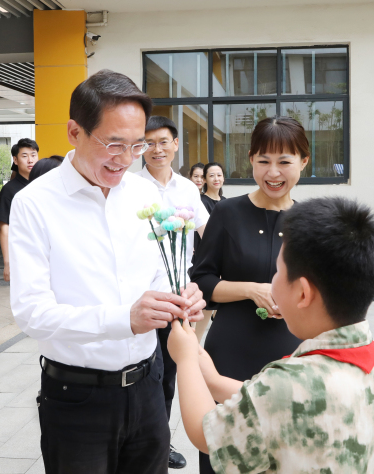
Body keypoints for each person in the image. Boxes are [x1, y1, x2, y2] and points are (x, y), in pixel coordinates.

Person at [8, 69, 206, 474]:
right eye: (114, 144)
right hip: (77, 396)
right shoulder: (35, 203)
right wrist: (124, 319)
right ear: (74, 132)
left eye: (136, 145)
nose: (127, 159)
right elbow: (31, 312)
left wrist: (179, 293)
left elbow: (159, 271)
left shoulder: (145, 194)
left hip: (148, 385)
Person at [169, 197, 374, 474]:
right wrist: (211, 375)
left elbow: (206, 435)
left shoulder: (285, 384)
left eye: (278, 271)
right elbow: (284, 400)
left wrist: (185, 359)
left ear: (302, 293)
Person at [190, 116, 311, 473]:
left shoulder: (310, 221)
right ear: (251, 161)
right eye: (263, 161)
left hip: (289, 354)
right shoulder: (228, 212)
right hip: (231, 349)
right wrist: (251, 290)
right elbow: (202, 281)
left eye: (284, 161)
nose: (273, 172)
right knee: (224, 450)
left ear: (303, 162)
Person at [136, 115, 209, 470]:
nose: (157, 149)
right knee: (144, 373)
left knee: (168, 376)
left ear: (176, 144)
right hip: (142, 299)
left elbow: (208, 233)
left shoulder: (188, 189)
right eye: (149, 143)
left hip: (177, 298)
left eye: (163, 141)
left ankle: (161, 442)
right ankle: (143, 439)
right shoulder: (131, 187)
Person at [193, 162, 227, 342]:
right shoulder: (201, 202)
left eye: (219, 175)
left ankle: (198, 345)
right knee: (204, 306)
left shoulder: (227, 203)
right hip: (205, 259)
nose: (216, 179)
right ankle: (194, 345)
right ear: (205, 179)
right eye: (211, 175)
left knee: (212, 307)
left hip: (223, 258)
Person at [0, 138, 38, 282]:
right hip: (23, 256)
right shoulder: (9, 190)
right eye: (24, 156)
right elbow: (4, 228)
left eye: (33, 155)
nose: (30, 160)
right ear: (15, 160)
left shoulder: (44, 185)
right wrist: (7, 263)